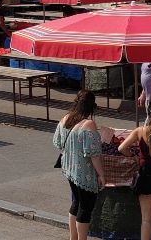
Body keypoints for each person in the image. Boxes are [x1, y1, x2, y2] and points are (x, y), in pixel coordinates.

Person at [53, 90, 105, 240]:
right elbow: (93, 154)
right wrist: (101, 174)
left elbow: (57, 142)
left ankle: (73, 238)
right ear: (90, 107)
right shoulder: (89, 124)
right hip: (85, 173)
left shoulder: (65, 119)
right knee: (85, 207)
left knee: (76, 202)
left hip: (69, 169)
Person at [118, 100, 151, 240]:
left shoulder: (140, 131)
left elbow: (121, 148)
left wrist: (134, 156)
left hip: (146, 175)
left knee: (146, 219)